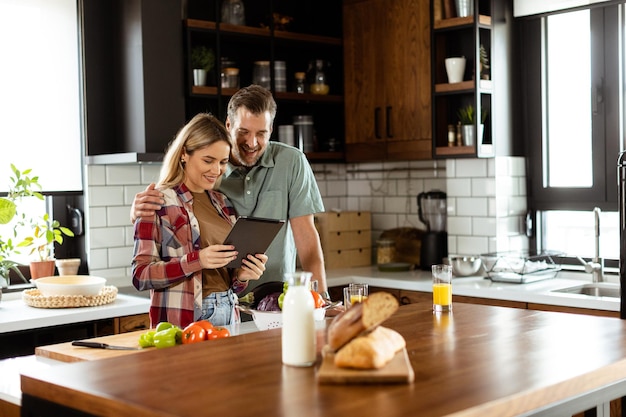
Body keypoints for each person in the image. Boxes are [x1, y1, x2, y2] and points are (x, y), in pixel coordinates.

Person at [131, 85, 330, 301]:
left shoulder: (291, 162)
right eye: (243, 132)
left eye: (261, 134)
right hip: (224, 302)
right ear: (228, 125)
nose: (252, 143)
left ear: (271, 129)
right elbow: (173, 212)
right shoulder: (209, 176)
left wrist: (321, 299)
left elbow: (307, 241)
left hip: (274, 298)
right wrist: (139, 214)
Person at [132, 113, 268, 329]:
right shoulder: (157, 201)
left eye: (223, 162)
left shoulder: (222, 203)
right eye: (208, 160)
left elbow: (231, 283)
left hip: (229, 311)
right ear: (184, 153)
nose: (216, 170)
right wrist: (197, 261)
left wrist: (242, 276)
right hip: (186, 318)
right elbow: (140, 275)